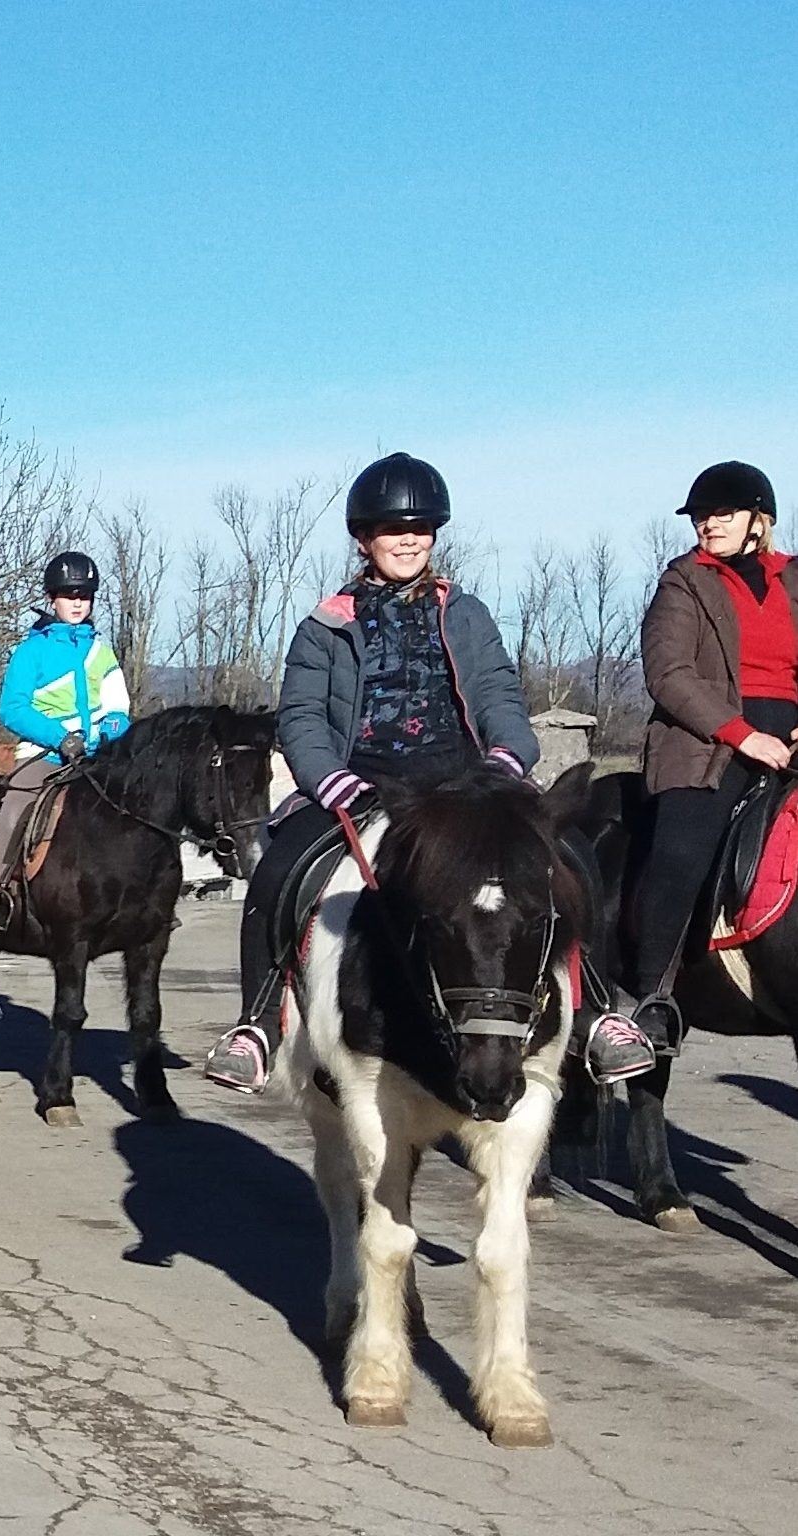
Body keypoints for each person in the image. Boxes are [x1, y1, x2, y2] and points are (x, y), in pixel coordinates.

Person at [200, 453, 654, 1092]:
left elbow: (498, 693)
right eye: (392, 529)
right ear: (365, 539)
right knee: (279, 870)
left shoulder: (465, 614)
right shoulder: (324, 627)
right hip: (362, 781)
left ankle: (601, 1010)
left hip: (464, 782)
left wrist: (505, 755)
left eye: (421, 528)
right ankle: (257, 1025)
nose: (408, 539)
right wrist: (327, 778)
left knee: (568, 853)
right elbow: (301, 715)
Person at [624, 460, 797, 1051]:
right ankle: (654, 998)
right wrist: (741, 733)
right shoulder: (685, 581)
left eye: (721, 513)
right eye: (701, 515)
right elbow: (668, 672)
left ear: (759, 520)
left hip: (792, 736)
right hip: (708, 744)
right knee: (682, 848)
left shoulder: (795, 580)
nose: (708, 523)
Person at [0, 551, 131, 931]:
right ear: (52, 598)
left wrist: (108, 732)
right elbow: (12, 708)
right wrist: (61, 738)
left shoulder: (101, 651)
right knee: (17, 803)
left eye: (85, 595)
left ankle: (142, 893)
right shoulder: (32, 651)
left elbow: (119, 707)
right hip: (45, 755)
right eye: (68, 594)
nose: (77, 602)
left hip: (97, 755)